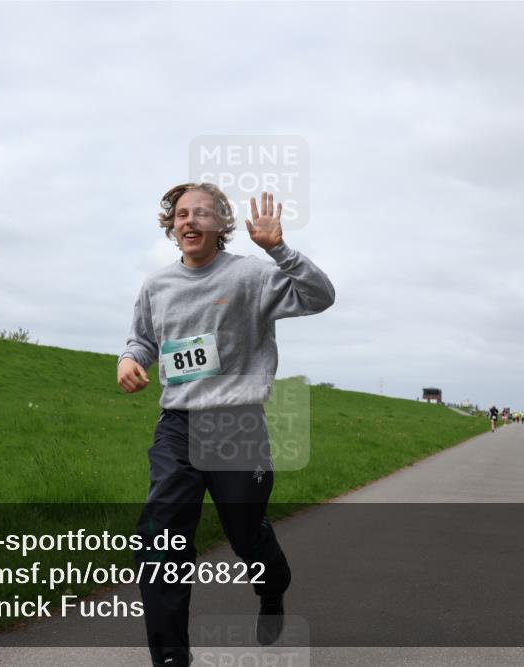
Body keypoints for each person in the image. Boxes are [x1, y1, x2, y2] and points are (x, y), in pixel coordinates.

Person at [118, 183, 335, 666]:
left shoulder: (252, 276)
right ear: (171, 226)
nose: (189, 221)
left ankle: (272, 587)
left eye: (201, 213)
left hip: (237, 425)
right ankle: (171, 659)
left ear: (221, 225)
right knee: (162, 542)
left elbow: (320, 296)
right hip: (178, 425)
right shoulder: (157, 286)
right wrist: (129, 360)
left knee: (244, 533)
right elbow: (142, 341)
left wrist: (279, 249)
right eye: (180, 215)